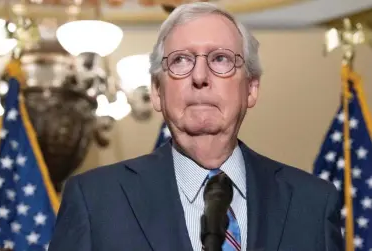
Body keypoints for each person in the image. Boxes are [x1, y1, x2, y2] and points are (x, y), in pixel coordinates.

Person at [48, 2, 344, 251]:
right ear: (156, 91)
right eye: (180, 61)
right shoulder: (94, 201)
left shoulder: (313, 204)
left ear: (251, 88)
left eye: (220, 59)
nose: (200, 76)